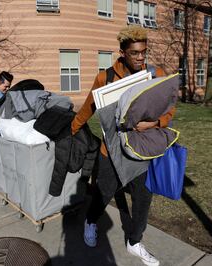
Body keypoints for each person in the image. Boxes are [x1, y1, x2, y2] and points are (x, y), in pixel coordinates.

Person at [71, 25, 175, 266]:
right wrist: (72, 129)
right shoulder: (105, 78)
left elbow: (169, 108)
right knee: (104, 192)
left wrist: (156, 123)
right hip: (112, 151)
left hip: (143, 149)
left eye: (144, 52)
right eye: (134, 53)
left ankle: (135, 241)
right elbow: (89, 107)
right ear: (122, 52)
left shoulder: (155, 73)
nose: (140, 58)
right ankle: (91, 221)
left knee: (143, 198)